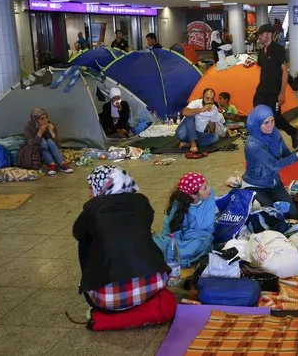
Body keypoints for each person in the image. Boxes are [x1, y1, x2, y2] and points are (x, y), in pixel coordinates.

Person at [73, 166, 168, 311]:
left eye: (91, 187)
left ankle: (93, 287)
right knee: (141, 234)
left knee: (85, 240)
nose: (89, 192)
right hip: (154, 285)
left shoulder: (92, 209)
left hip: (107, 299)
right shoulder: (142, 202)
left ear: (103, 185)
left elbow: (77, 233)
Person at [242, 105, 298, 219]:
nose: (270, 126)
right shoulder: (252, 144)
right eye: (266, 123)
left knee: (293, 214)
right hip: (255, 185)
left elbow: (286, 155)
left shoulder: (275, 133)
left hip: (273, 182)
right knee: (273, 216)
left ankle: (290, 201)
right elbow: (274, 165)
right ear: (256, 123)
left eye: (272, 121)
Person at [246, 23, 298, 148]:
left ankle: (293, 132)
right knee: (259, 114)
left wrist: (282, 93)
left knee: (275, 116)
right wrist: (251, 62)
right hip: (261, 90)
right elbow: (264, 67)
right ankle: (263, 141)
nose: (258, 37)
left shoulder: (278, 49)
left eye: (261, 34)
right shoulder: (261, 51)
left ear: (268, 34)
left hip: (274, 92)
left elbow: (284, 71)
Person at [153, 172, 216, 267]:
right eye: (205, 188)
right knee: (157, 242)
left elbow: (206, 227)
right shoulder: (178, 203)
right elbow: (169, 223)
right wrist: (169, 239)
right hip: (179, 237)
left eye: (207, 185)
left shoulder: (210, 196)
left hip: (198, 238)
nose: (209, 188)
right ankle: (176, 255)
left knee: (205, 243)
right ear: (194, 196)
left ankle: (172, 256)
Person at [24, 107, 73, 176]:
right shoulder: (29, 127)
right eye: (42, 119)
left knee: (49, 141)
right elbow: (31, 145)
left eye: (46, 117)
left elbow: (58, 145)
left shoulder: (50, 125)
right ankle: (51, 165)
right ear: (35, 119)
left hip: (50, 149)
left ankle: (62, 164)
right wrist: (39, 133)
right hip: (35, 150)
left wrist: (52, 132)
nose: (46, 120)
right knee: (43, 141)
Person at [177, 88, 220, 154]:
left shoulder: (214, 108)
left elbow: (212, 124)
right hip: (184, 132)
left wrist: (211, 133)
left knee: (215, 137)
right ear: (202, 97)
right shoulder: (196, 103)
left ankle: (188, 144)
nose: (209, 101)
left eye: (212, 99)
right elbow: (185, 112)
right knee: (190, 115)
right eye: (207, 98)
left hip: (198, 134)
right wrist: (202, 109)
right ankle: (193, 143)